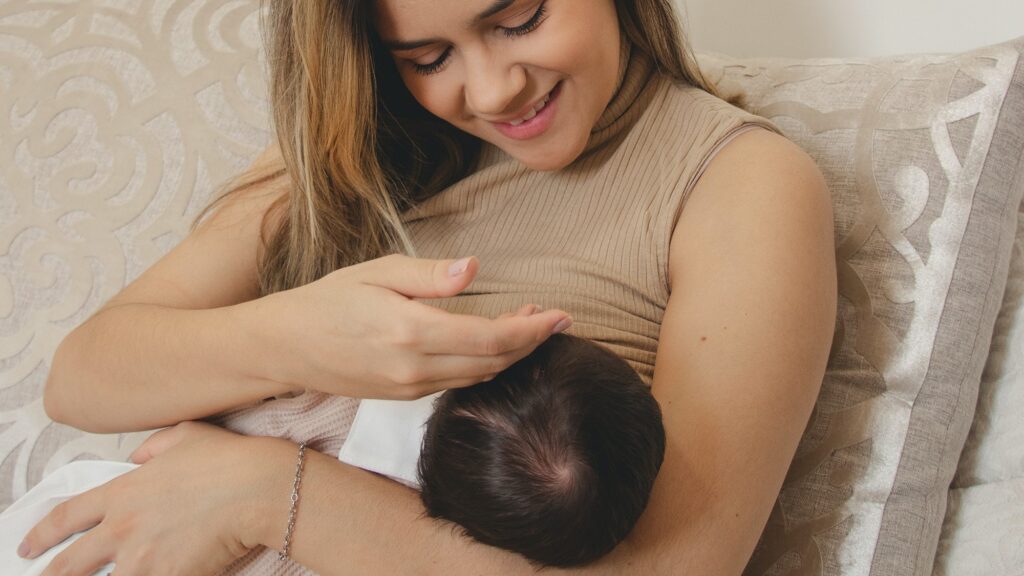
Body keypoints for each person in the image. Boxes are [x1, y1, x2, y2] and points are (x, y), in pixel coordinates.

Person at [21, 0, 838, 574]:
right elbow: (84, 376)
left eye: (518, 18)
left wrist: (263, 494)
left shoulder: (737, 183)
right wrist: (299, 338)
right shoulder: (353, 158)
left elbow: (673, 570)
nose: (489, 93)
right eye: (429, 57)